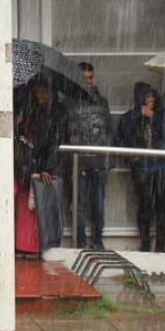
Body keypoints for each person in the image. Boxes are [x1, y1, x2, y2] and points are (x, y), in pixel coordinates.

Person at [115, 82, 165, 253]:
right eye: (147, 97)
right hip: (141, 166)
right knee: (144, 205)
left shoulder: (161, 114)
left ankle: (160, 246)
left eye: (153, 96)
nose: (151, 99)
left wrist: (152, 118)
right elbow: (122, 137)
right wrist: (138, 115)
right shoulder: (130, 116)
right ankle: (145, 243)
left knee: (161, 206)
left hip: (161, 165)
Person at [64, 62, 113, 250]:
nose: (88, 81)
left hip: (99, 160)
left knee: (98, 205)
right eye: (84, 78)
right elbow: (65, 132)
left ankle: (97, 241)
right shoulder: (68, 103)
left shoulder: (102, 102)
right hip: (77, 161)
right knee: (79, 205)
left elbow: (109, 131)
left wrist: (108, 160)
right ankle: (80, 242)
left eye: (91, 77)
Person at [17, 78, 67, 255]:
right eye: (38, 92)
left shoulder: (57, 112)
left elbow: (55, 142)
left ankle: (39, 245)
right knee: (31, 204)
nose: (40, 95)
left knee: (41, 205)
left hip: (43, 165)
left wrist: (46, 166)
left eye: (43, 92)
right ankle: (28, 245)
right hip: (32, 163)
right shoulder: (35, 110)